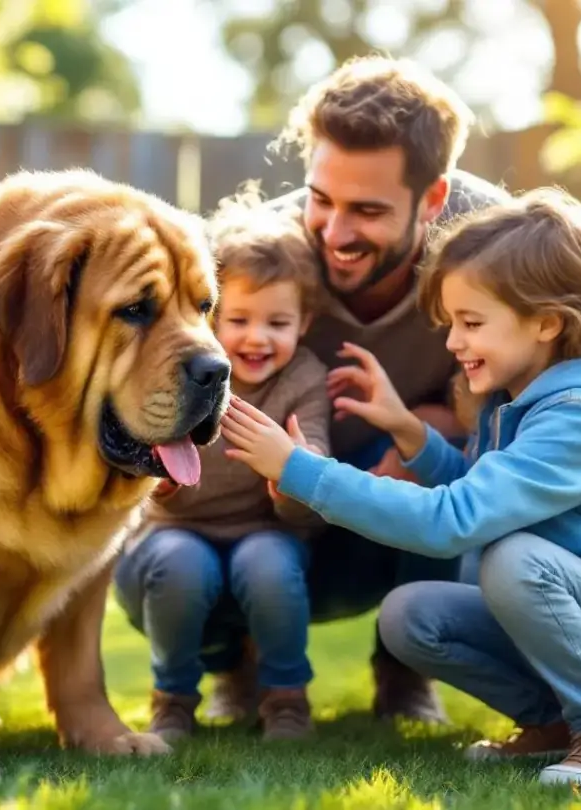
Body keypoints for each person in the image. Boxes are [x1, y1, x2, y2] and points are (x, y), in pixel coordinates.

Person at [218, 186, 581, 787]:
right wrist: (410, 431)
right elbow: (481, 488)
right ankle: (557, 725)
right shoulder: (515, 405)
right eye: (450, 323)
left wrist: (299, 470)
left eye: (471, 323)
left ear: (546, 321)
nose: (453, 342)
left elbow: (453, 520)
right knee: (411, 616)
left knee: (515, 559)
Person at [203, 54, 511, 725]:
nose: (335, 233)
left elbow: (530, 396)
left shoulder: (495, 243)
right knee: (160, 566)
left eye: (367, 211)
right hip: (257, 503)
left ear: (432, 199)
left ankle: (403, 672)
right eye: (321, 200)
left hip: (405, 503)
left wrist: (427, 428)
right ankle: (236, 660)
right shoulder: (258, 249)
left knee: (454, 470)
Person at [113, 193, 331, 742]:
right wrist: (153, 486)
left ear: (304, 322)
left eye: (277, 322)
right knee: (180, 567)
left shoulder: (304, 379)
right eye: (239, 319)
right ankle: (174, 698)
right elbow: (140, 458)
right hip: (177, 527)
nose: (258, 337)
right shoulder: (189, 372)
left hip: (264, 529)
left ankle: (285, 697)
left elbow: (314, 479)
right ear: (207, 315)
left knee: (271, 566)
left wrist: (292, 473)